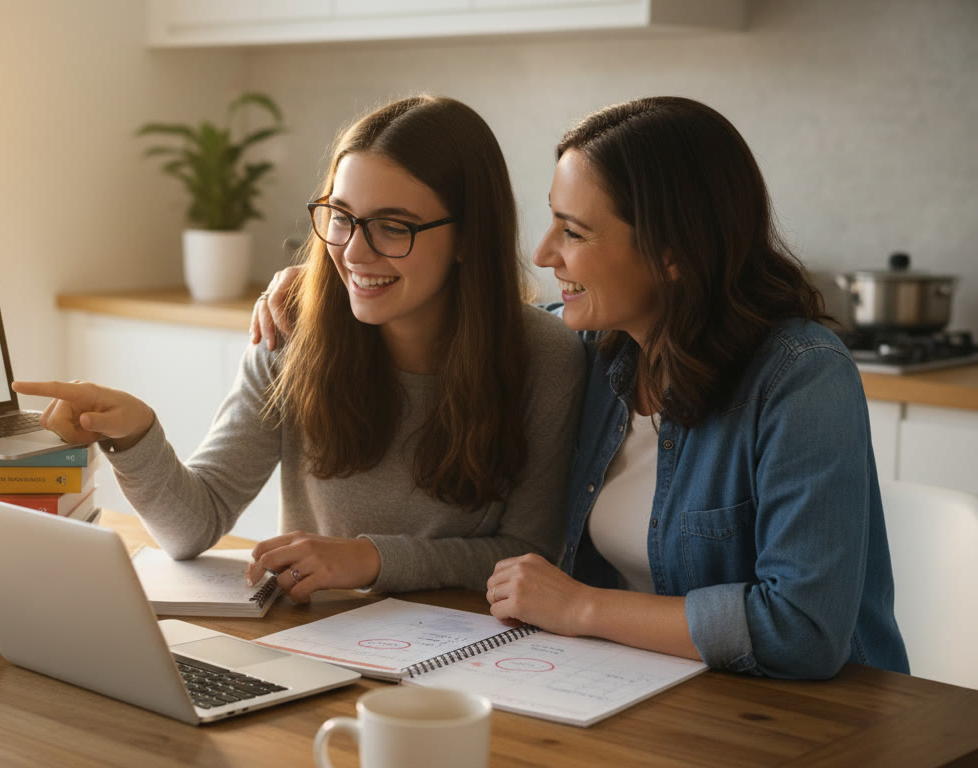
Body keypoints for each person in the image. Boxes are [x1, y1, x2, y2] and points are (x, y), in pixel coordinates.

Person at [253, 96, 908, 678]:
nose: (543, 254)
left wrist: (584, 606)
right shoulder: (588, 355)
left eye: (575, 232)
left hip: (806, 723)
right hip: (617, 690)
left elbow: (804, 629)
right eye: (552, 221)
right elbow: (458, 308)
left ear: (672, 252)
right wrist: (313, 289)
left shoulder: (801, 377)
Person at [14, 95, 586, 603]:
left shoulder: (544, 357)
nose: (355, 252)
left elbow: (529, 555)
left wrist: (371, 558)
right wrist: (137, 435)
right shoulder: (296, 332)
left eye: (393, 226)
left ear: (467, 236)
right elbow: (193, 527)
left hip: (470, 649)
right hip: (317, 634)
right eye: (340, 217)